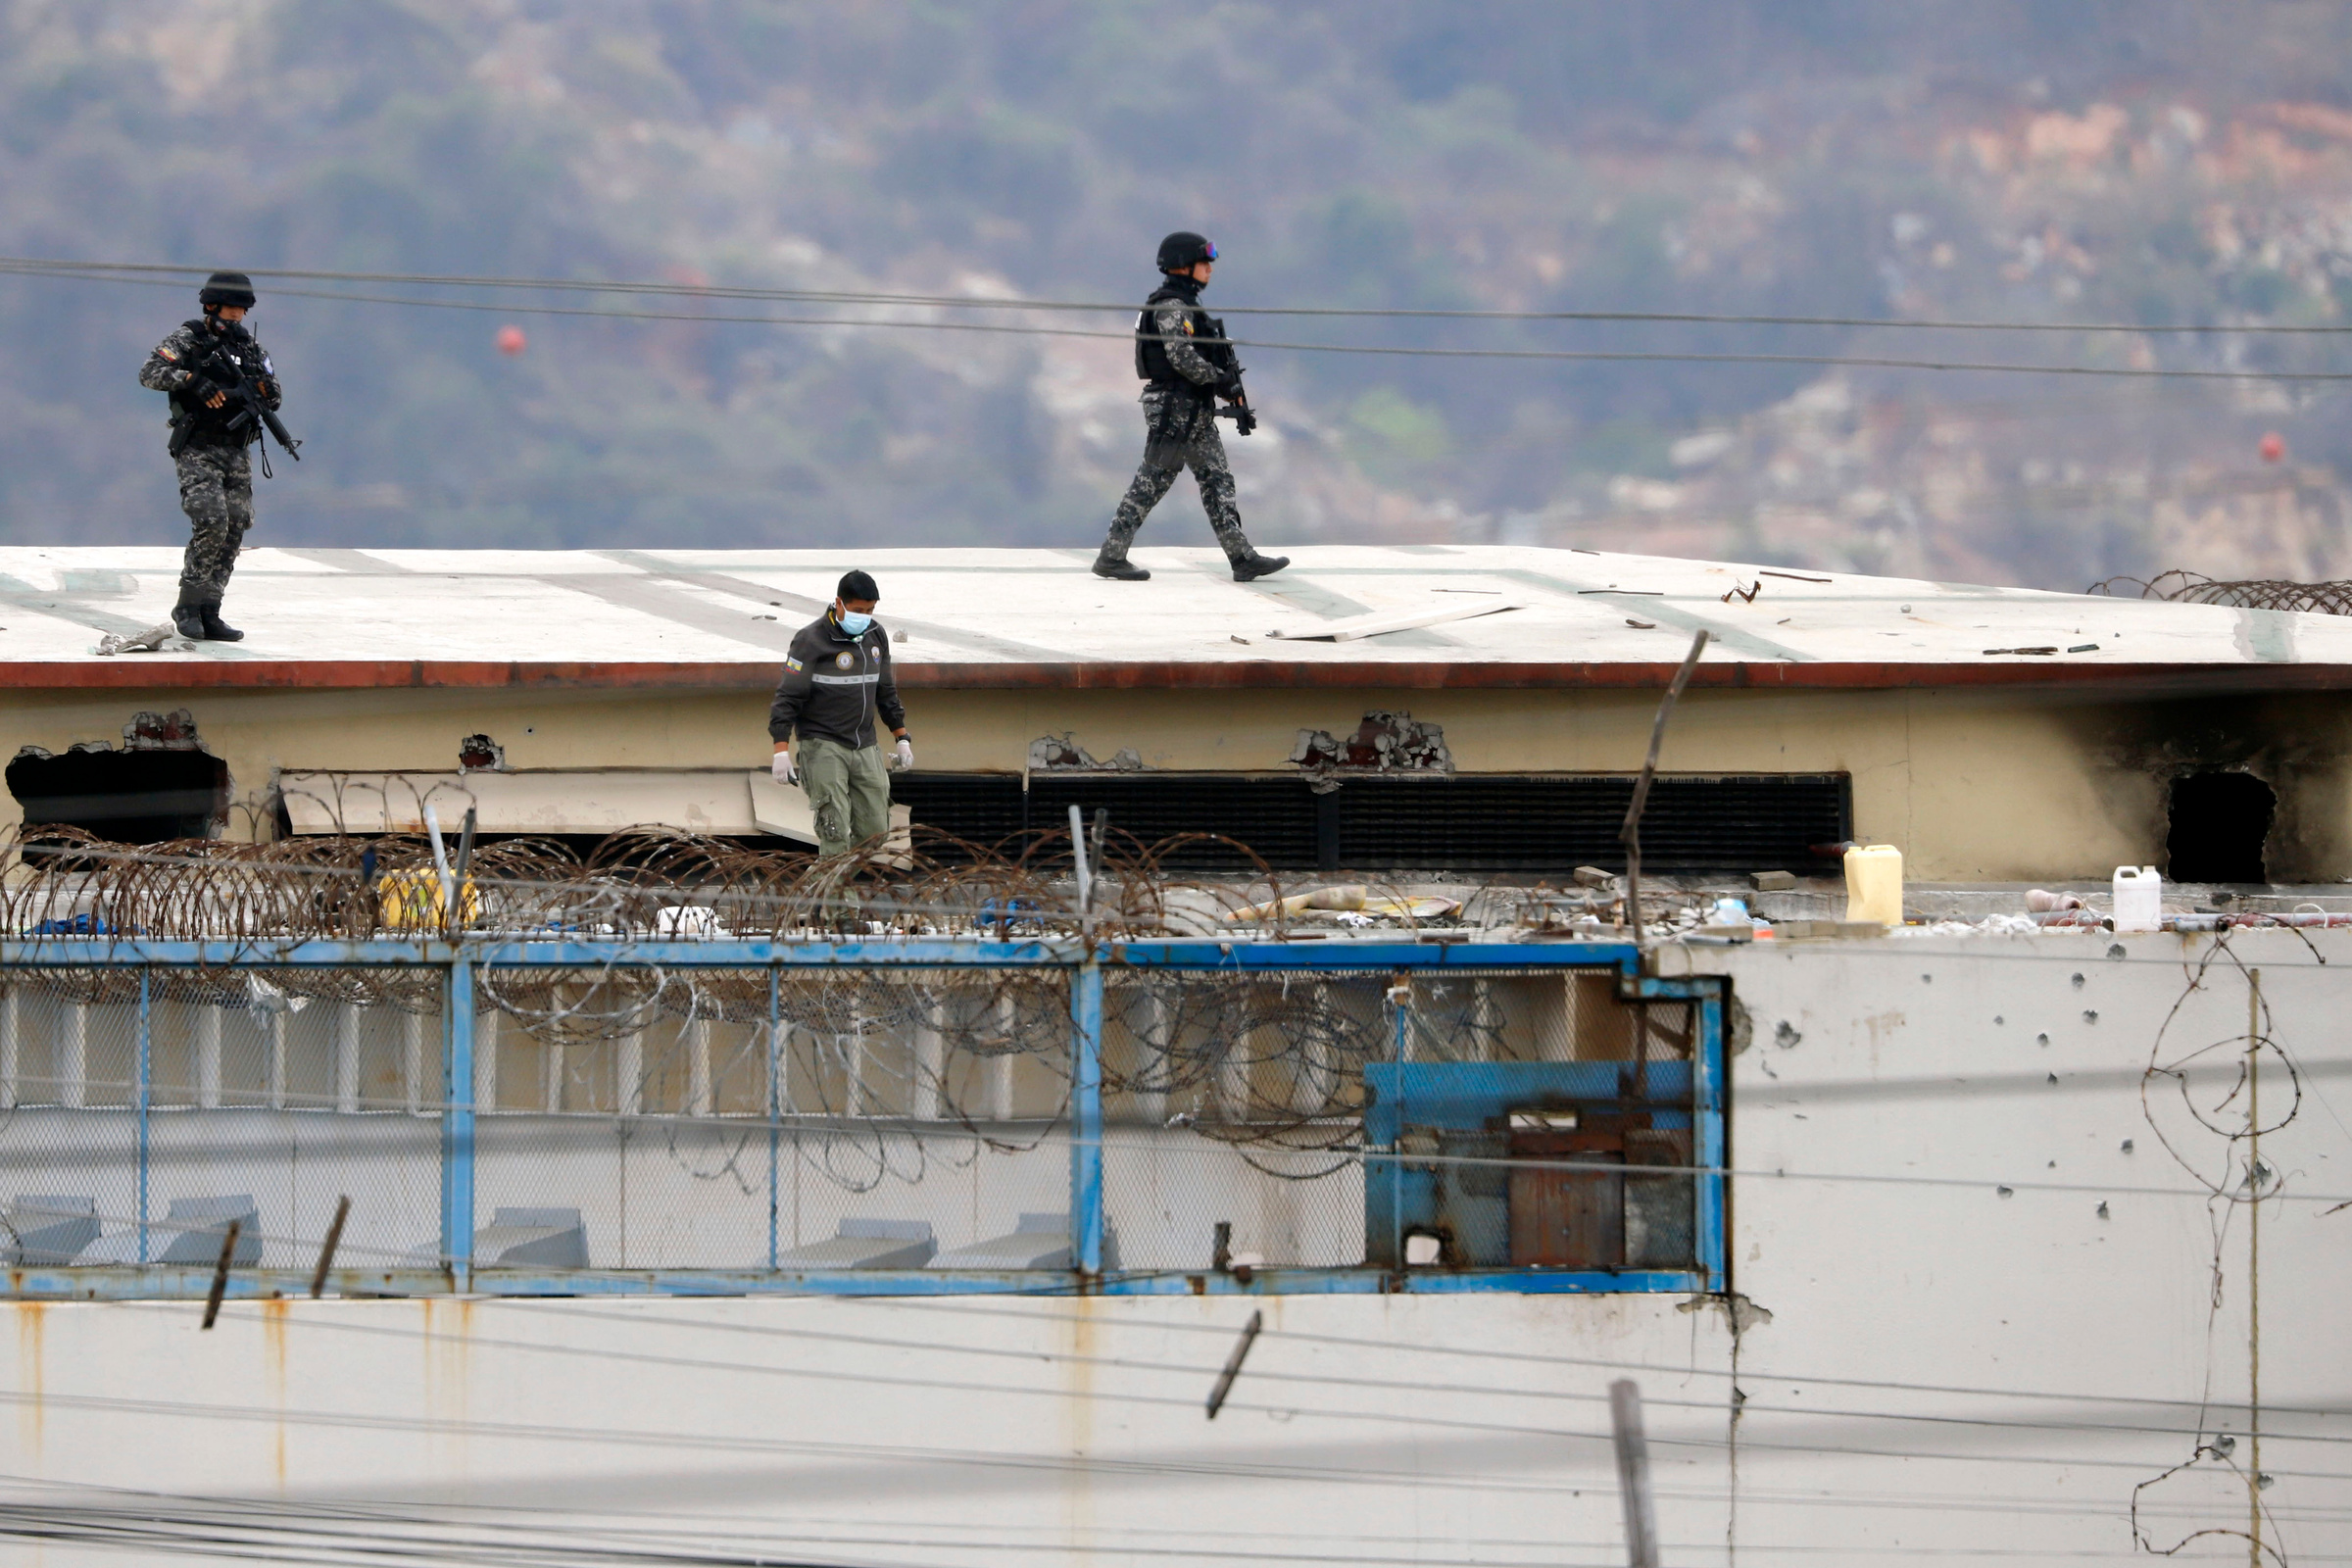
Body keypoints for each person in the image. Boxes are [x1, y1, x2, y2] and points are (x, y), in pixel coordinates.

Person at [1092, 232, 1289, 584]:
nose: (1210, 270)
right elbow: (1180, 356)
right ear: (1183, 265)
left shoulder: (1185, 305)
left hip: (1192, 409)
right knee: (1153, 480)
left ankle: (1242, 558)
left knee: (1217, 480)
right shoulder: (1171, 307)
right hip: (1174, 410)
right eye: (1203, 263)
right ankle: (1111, 555)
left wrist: (1223, 383)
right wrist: (1218, 379)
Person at [138, 270, 286, 642]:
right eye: (231, 307)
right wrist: (190, 380)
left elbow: (275, 395)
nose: (236, 315)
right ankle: (187, 605)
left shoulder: (252, 349)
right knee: (211, 520)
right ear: (211, 305)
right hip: (198, 447)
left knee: (235, 527)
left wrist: (264, 391)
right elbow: (151, 372)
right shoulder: (190, 339)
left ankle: (210, 609)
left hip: (236, 450)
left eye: (241, 309)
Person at [768, 570, 913, 858]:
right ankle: (841, 905)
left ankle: (815, 888)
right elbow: (788, 697)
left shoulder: (875, 636)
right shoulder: (810, 640)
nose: (865, 616)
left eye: (871, 610)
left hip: (865, 744)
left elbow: (885, 691)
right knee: (834, 832)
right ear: (839, 603)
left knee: (875, 833)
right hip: (823, 745)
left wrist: (902, 737)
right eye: (859, 610)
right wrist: (780, 750)